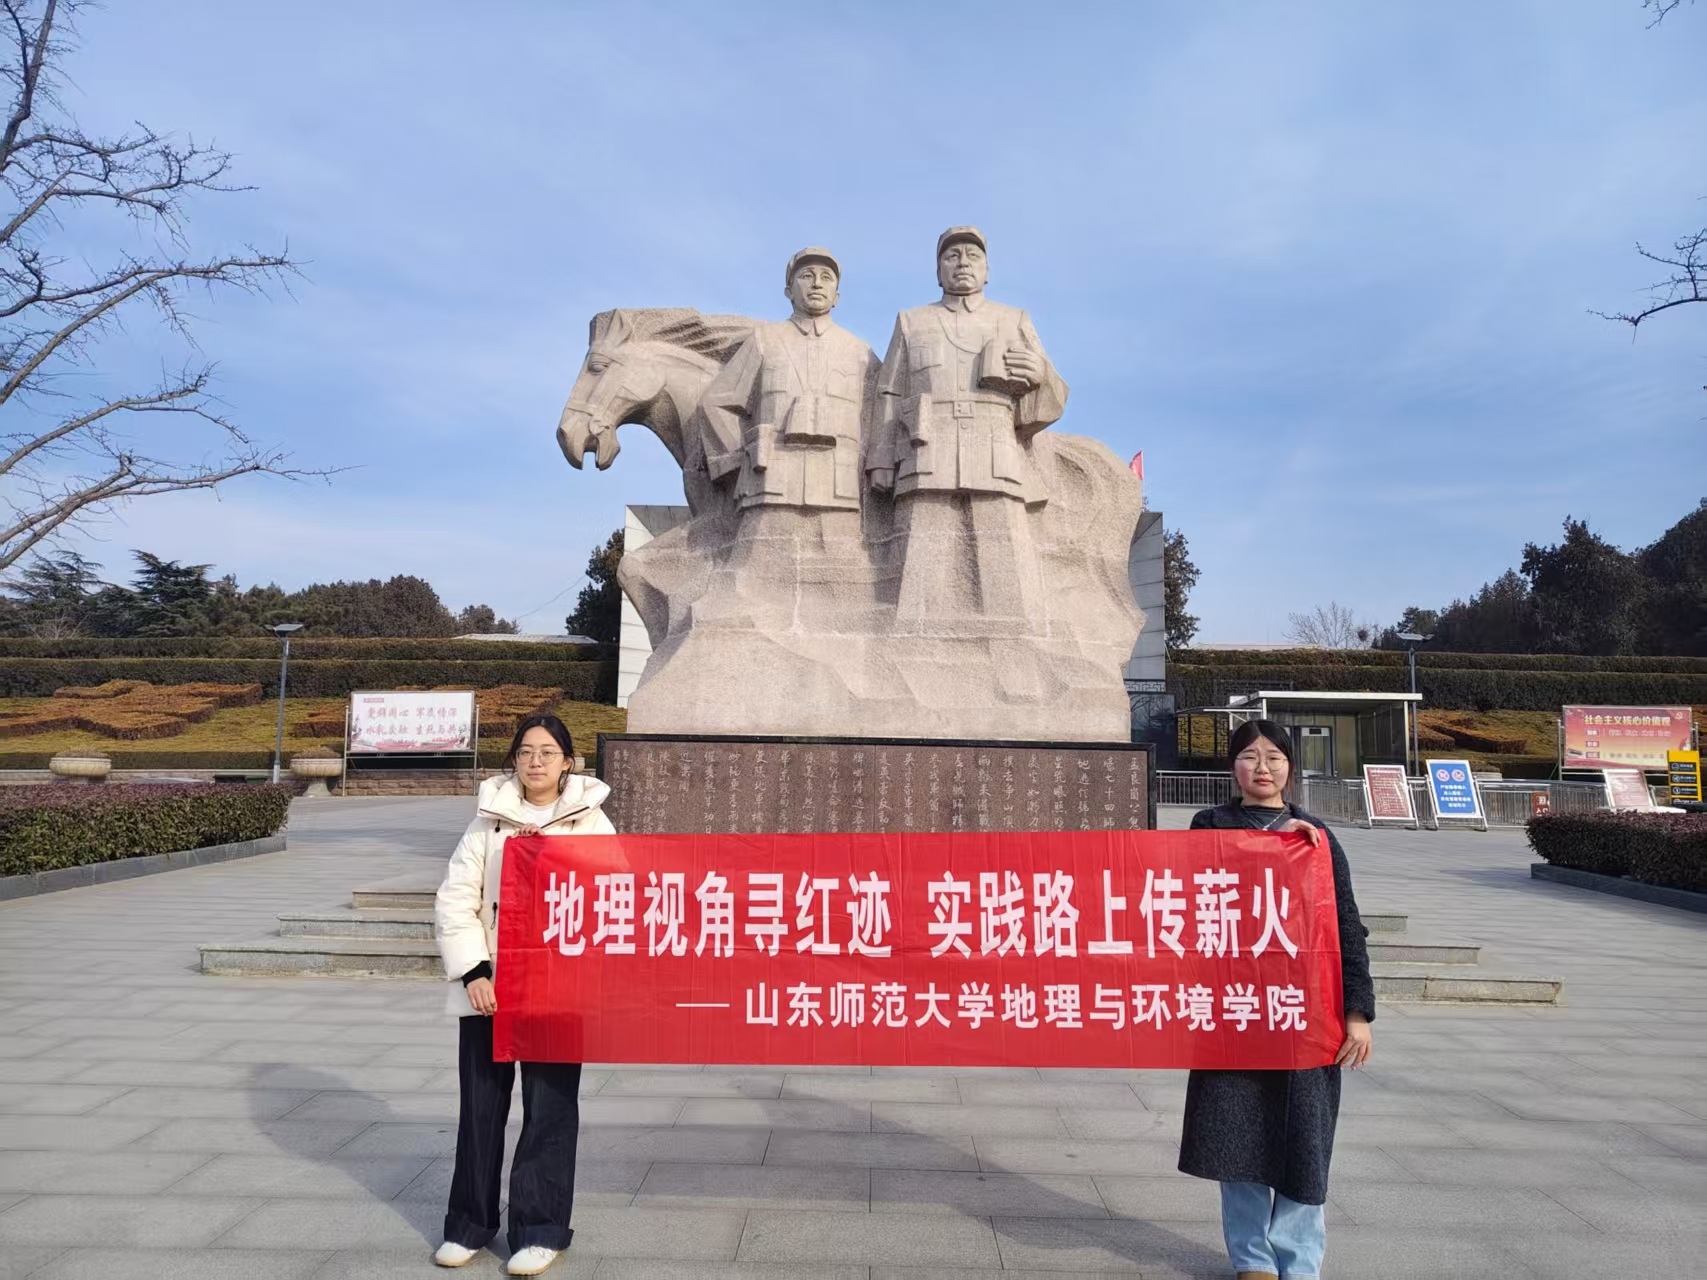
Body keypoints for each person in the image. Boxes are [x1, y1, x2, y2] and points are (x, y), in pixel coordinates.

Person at [1178, 719, 1375, 1280]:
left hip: (1303, 1013)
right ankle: (1253, 1261)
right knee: (1235, 1140)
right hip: (1234, 1011)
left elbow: (1346, 925)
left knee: (1304, 1142)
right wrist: (1274, 846)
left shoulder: (1317, 836)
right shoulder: (1208, 825)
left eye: (1274, 758)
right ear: (1232, 767)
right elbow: (1187, 894)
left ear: (1290, 768)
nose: (1261, 768)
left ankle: (1300, 1260)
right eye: (1249, 756)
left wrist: (1357, 1013)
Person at [432, 713, 615, 1276]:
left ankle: (540, 1229)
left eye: (547, 752)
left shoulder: (592, 822)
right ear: (513, 759)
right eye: (526, 752)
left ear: (568, 762)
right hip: (490, 988)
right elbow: (454, 899)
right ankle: (469, 1224)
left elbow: (613, 895)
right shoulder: (486, 822)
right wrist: (474, 972)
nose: (535, 762)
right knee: (480, 1107)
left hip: (558, 988)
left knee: (550, 1109)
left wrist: (552, 858)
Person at [865, 226, 1068, 625]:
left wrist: (1040, 375)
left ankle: (1014, 643)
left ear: (987, 271)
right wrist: (882, 458)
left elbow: (1053, 396)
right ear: (937, 270)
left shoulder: (1013, 320)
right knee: (920, 566)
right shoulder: (912, 322)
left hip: (993, 447)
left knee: (1003, 560)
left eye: (973, 256)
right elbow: (888, 391)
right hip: (927, 448)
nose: (962, 263)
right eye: (951, 256)